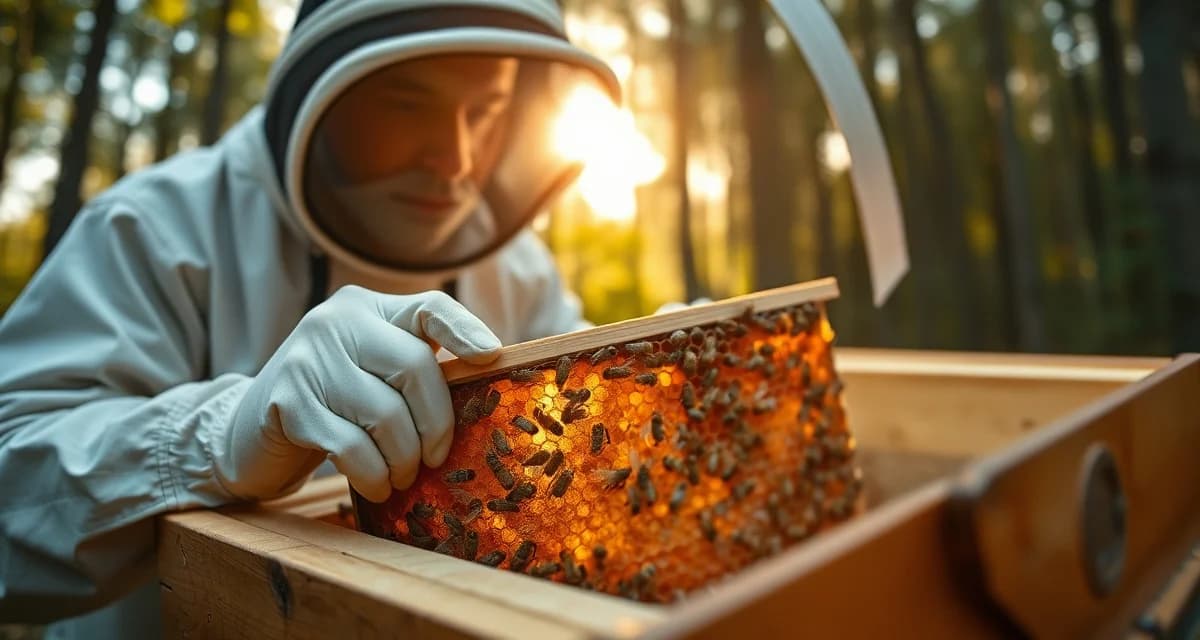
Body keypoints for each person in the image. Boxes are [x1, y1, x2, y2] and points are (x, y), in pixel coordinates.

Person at [0, 1, 620, 637]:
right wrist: (216, 439)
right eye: (408, 105)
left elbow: (592, 447)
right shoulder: (151, 229)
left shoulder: (520, 270)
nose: (456, 159)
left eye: (486, 110)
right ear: (321, 94)